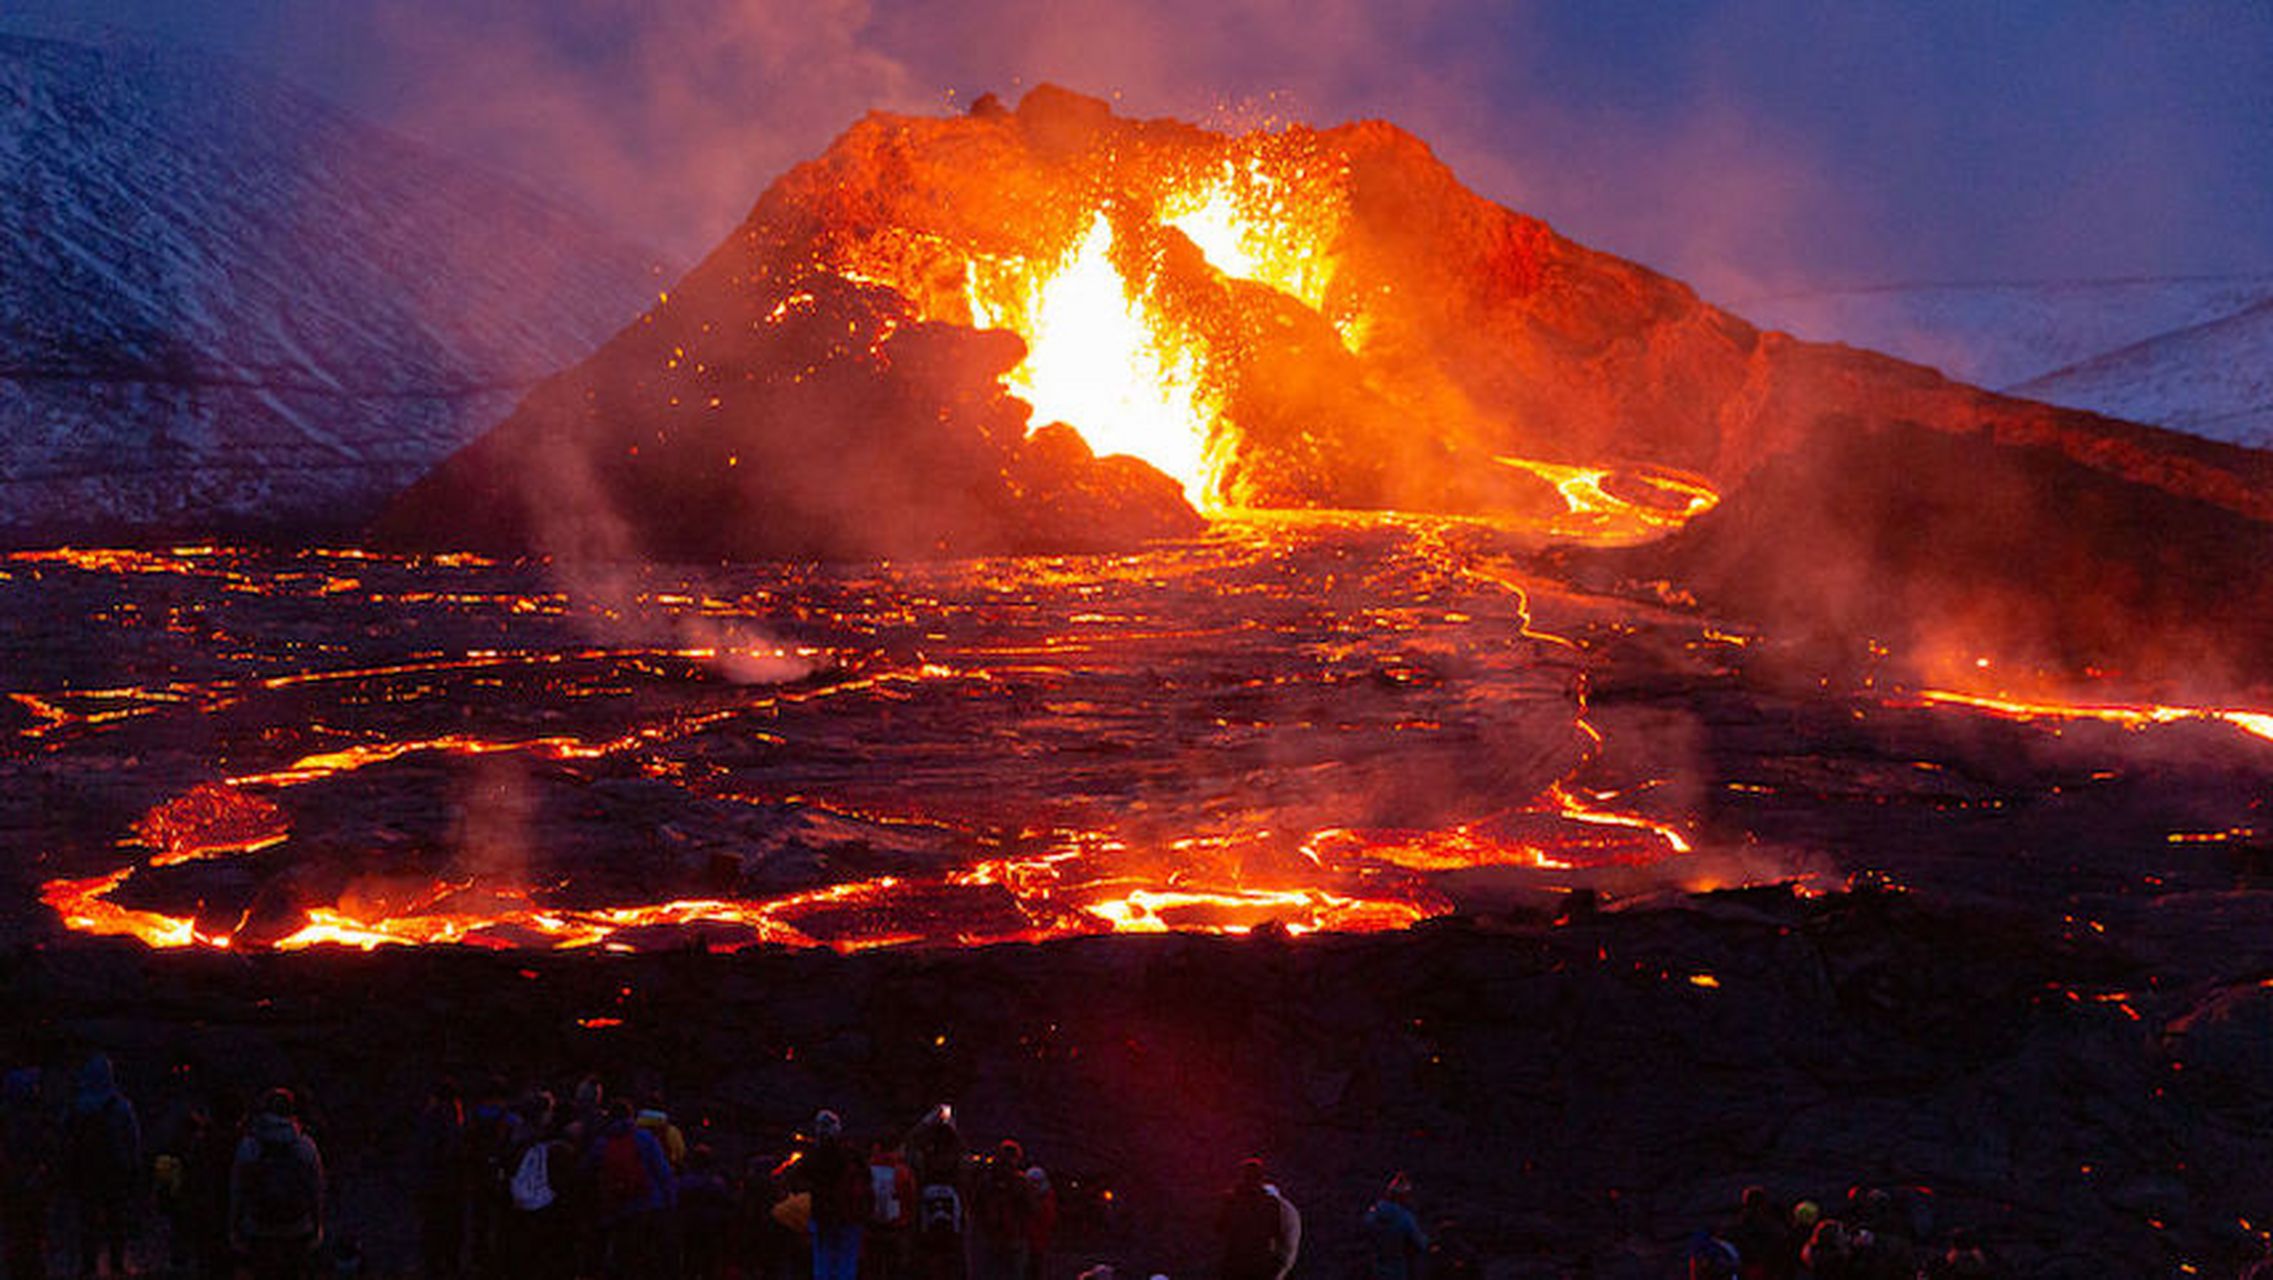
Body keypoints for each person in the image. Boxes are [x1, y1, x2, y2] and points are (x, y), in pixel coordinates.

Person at [230, 1087, 324, 1280]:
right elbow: (315, 1188)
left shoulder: (250, 1145)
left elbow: (238, 1188)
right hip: (297, 1224)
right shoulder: (305, 1146)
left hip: (258, 1224)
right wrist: (317, 1223)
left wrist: (235, 1224)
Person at [63, 1053, 142, 1279]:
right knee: (117, 1217)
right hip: (115, 1168)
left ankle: (88, 1264)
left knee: (87, 1219)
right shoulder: (120, 1105)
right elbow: (132, 1138)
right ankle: (117, 1263)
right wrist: (134, 1164)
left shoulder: (77, 1105)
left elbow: (66, 1134)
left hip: (85, 1169)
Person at [589, 1098, 676, 1279]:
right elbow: (663, 1172)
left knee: (624, 1258)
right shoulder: (645, 1138)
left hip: (617, 1208)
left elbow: (586, 1169)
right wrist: (670, 1202)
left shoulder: (602, 1143)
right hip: (649, 1203)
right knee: (647, 1258)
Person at [792, 1109, 869, 1280]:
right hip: (849, 1215)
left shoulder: (812, 1157)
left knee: (823, 1262)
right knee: (846, 1263)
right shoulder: (852, 1155)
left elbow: (796, 1182)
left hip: (822, 1216)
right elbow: (867, 1181)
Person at [1, 1067, 55, 1280]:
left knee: (18, 1234)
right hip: (30, 1183)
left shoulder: (10, 1119)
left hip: (14, 1184)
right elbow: (49, 1149)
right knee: (31, 1233)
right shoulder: (37, 1119)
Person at [967, 1141, 1032, 1280]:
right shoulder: (1020, 1182)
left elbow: (975, 1207)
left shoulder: (988, 1180)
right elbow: (1031, 1209)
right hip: (1006, 1239)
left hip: (996, 1238)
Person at [1216, 1159, 1282, 1280]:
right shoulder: (1270, 1202)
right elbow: (1276, 1231)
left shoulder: (1231, 1200)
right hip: (1259, 1260)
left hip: (1236, 1259)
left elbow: (1220, 1227)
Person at [1361, 1174, 1427, 1280]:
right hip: (1398, 1270)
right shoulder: (1406, 1218)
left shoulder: (1374, 1213)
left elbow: (1366, 1230)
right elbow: (1420, 1244)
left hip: (1377, 1267)